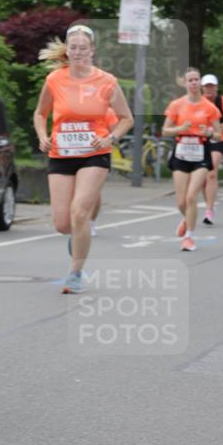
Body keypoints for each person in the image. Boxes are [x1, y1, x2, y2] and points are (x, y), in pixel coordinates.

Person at [33, 25, 133, 293]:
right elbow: (40, 114)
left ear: (92, 51)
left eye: (82, 48)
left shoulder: (107, 81)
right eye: (73, 47)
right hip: (62, 153)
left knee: (80, 213)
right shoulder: (55, 79)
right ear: (68, 50)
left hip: (94, 154)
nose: (77, 52)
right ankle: (77, 236)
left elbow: (126, 119)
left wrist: (110, 139)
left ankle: (75, 273)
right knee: (62, 223)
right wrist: (43, 136)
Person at [162, 68, 222, 252]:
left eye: (197, 80)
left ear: (200, 83)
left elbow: (219, 134)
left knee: (191, 196)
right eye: (191, 80)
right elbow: (165, 131)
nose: (194, 83)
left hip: (200, 152)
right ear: (185, 84)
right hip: (181, 152)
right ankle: (187, 217)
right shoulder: (176, 105)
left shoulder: (209, 107)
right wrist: (181, 127)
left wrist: (209, 133)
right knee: (181, 201)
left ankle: (188, 237)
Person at [200, 74, 223, 225]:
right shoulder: (198, 102)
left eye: (212, 86)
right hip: (201, 139)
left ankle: (209, 210)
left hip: (219, 138)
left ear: (216, 87)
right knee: (202, 176)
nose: (209, 88)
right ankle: (209, 202)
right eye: (206, 86)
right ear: (202, 88)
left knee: (212, 171)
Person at [89, 106, 119, 236]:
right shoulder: (74, 109)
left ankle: (90, 222)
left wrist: (107, 141)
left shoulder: (108, 111)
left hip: (97, 155)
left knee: (93, 191)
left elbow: (116, 135)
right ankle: (78, 219)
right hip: (73, 154)